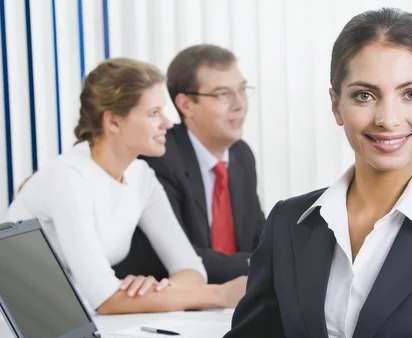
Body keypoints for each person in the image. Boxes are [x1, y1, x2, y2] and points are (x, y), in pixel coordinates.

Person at [113, 8, 412, 338]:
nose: (388, 117)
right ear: (336, 105)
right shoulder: (291, 225)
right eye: (365, 96)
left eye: (411, 94)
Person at [4, 58, 246, 315]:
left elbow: (192, 270)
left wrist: (155, 290)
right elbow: (107, 300)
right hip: (19, 335)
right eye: (154, 113)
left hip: (81, 322)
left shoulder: (141, 175)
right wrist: (220, 294)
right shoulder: (68, 179)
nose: (167, 123)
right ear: (114, 122)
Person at [117, 44, 264, 285]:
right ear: (186, 105)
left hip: (230, 301)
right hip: (172, 303)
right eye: (223, 94)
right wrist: (262, 264)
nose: (240, 104)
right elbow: (184, 257)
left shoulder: (241, 155)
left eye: (242, 89)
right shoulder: (159, 157)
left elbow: (260, 236)